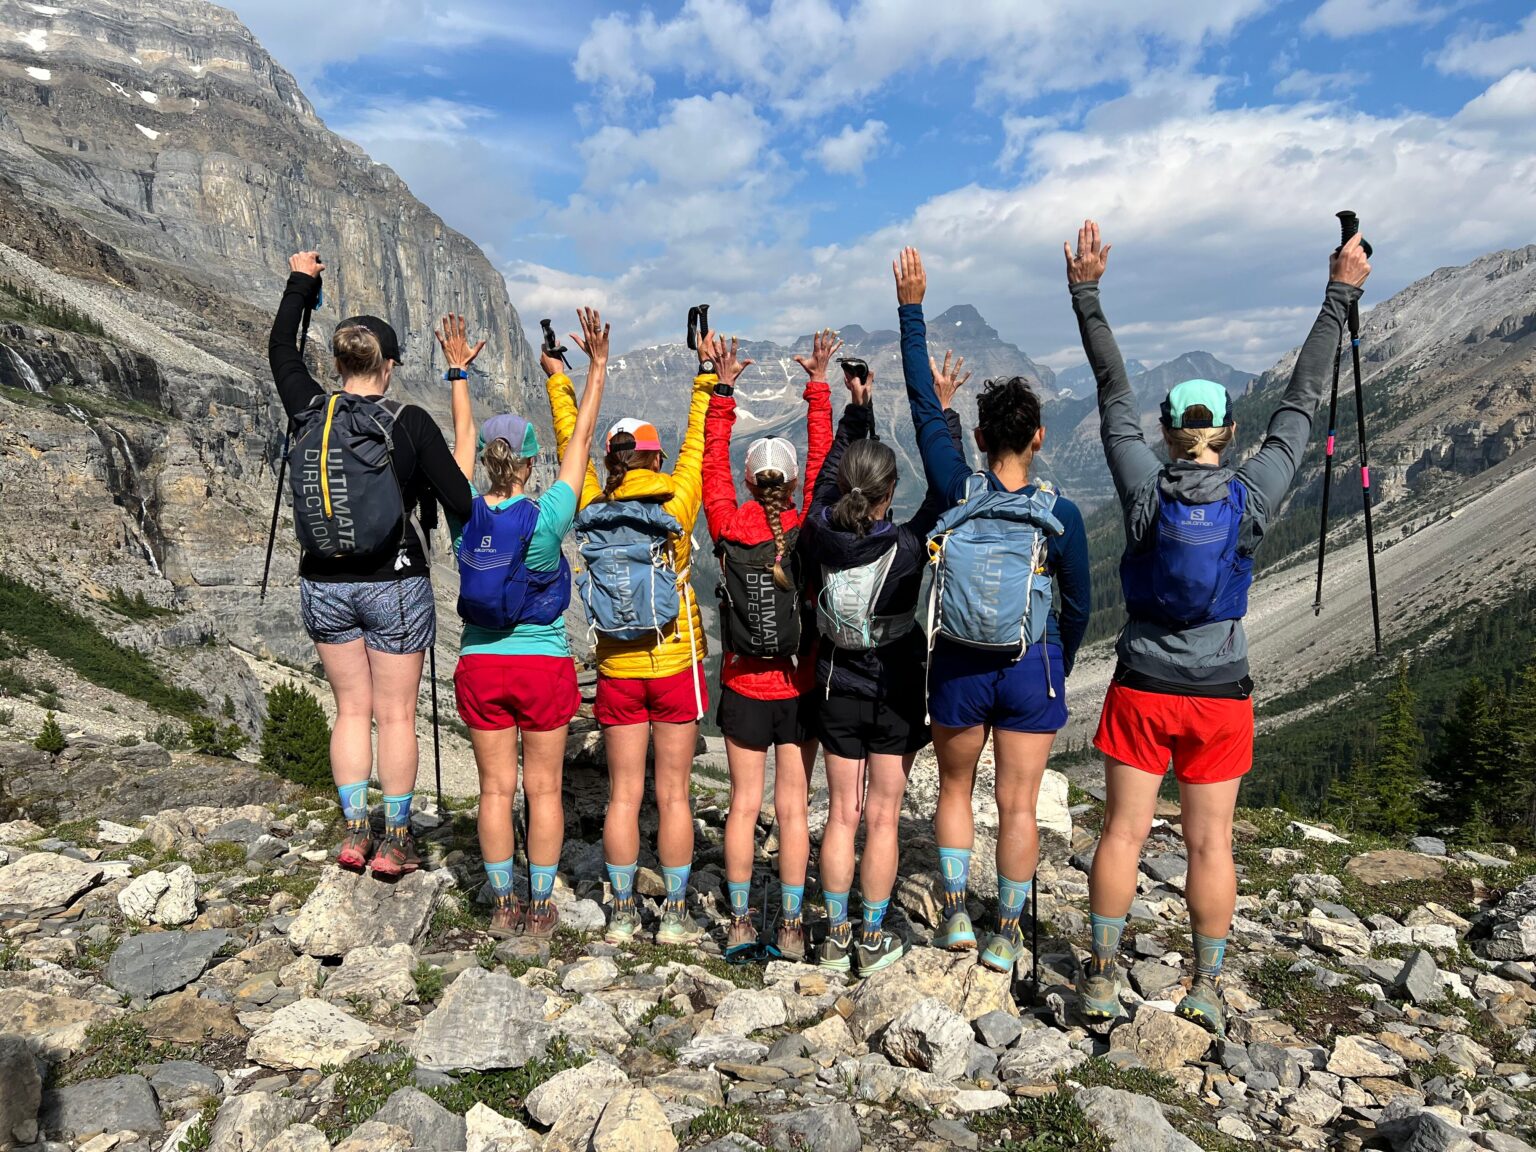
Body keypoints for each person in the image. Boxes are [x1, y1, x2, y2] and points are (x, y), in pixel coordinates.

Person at [1067, 220, 1371, 1034]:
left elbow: (1112, 393)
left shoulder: (1142, 485)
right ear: (1231, 433)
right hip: (1220, 691)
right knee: (1212, 845)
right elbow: (1302, 403)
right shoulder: (1253, 492)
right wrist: (1339, 294)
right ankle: (1203, 986)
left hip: (1142, 684)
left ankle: (1101, 977)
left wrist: (1086, 293)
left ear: (1168, 434)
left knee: (1123, 834)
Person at [894, 247, 1092, 973]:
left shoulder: (956, 489)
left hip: (957, 665)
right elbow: (1080, 606)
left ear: (977, 439)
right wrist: (1053, 660)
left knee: (953, 788)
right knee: (1018, 804)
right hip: (1028, 664)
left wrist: (911, 310)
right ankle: (1006, 932)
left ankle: (953, 915)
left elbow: (924, 409)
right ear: (1038, 436)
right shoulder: (1059, 513)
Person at [269, 251, 473, 877]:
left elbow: (280, 348)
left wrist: (302, 280)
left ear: (336, 365)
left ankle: (356, 834)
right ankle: (397, 840)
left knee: (351, 710)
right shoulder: (409, 422)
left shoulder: (308, 407)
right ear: (388, 367)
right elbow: (462, 499)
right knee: (396, 715)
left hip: (321, 581)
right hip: (395, 582)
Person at [440, 309, 610, 939]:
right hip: (542, 665)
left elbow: (459, 444)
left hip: (480, 664)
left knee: (493, 791)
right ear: (531, 465)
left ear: (488, 463)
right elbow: (582, 440)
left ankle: (500, 901)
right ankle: (540, 904)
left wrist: (459, 374)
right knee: (543, 789)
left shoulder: (463, 511)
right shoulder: (547, 516)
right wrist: (594, 370)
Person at [798, 356, 965, 976]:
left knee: (842, 814)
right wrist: (944, 415)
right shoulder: (907, 547)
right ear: (890, 494)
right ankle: (871, 935)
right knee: (883, 817)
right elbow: (950, 491)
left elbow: (823, 481)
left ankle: (835, 934)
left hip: (835, 685)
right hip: (894, 690)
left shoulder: (817, 531)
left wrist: (855, 411)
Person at [553, 328, 714, 947]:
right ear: (654, 457)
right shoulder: (676, 502)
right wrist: (707, 378)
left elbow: (571, 441)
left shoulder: (590, 505)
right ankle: (673, 915)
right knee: (673, 795)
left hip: (617, 672)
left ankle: (620, 911)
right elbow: (699, 444)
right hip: (675, 667)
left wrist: (560, 381)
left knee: (623, 795)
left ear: (613, 460)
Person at [702, 328, 835, 963]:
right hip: (799, 685)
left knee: (742, 805)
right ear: (791, 483)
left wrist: (722, 391)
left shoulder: (728, 523)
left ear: (750, 482)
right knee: (792, 809)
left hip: (741, 685)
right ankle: (790, 924)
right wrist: (819, 387)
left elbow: (710, 466)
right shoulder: (808, 525)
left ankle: (737, 921)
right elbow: (826, 466)